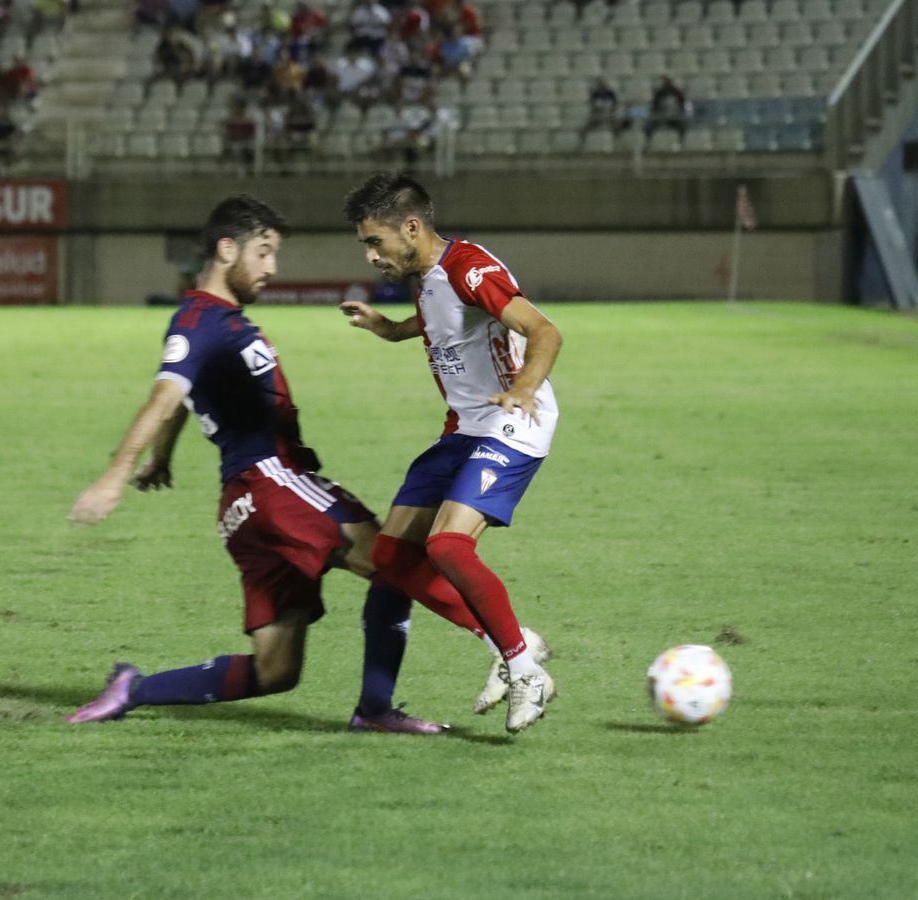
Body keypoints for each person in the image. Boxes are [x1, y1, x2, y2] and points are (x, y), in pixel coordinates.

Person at [66, 195, 498, 733]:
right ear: (228, 249)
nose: (272, 267)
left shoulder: (215, 321)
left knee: (275, 670)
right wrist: (114, 477)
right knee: (394, 559)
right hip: (274, 481)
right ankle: (487, 657)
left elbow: (183, 396)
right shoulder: (200, 320)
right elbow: (163, 395)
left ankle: (134, 688)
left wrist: (162, 457)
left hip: (242, 506)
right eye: (264, 252)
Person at [339, 173, 560, 733]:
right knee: (390, 559)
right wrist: (388, 330)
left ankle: (525, 669)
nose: (370, 256)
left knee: (447, 545)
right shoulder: (427, 273)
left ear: (411, 227)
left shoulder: (468, 267)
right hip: (463, 428)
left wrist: (525, 389)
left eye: (374, 242)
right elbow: (443, 320)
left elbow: (544, 331)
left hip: (511, 423)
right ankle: (514, 643)